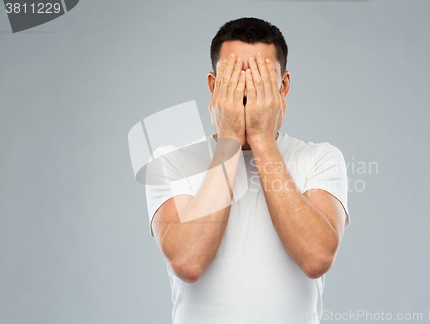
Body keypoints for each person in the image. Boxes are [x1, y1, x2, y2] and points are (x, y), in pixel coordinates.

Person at [144, 17, 350, 324]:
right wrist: (229, 141)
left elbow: (316, 258)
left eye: (260, 79)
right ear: (214, 87)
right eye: (235, 79)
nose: (247, 91)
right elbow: (188, 261)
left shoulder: (320, 158)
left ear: (283, 87)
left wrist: (262, 138)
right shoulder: (171, 162)